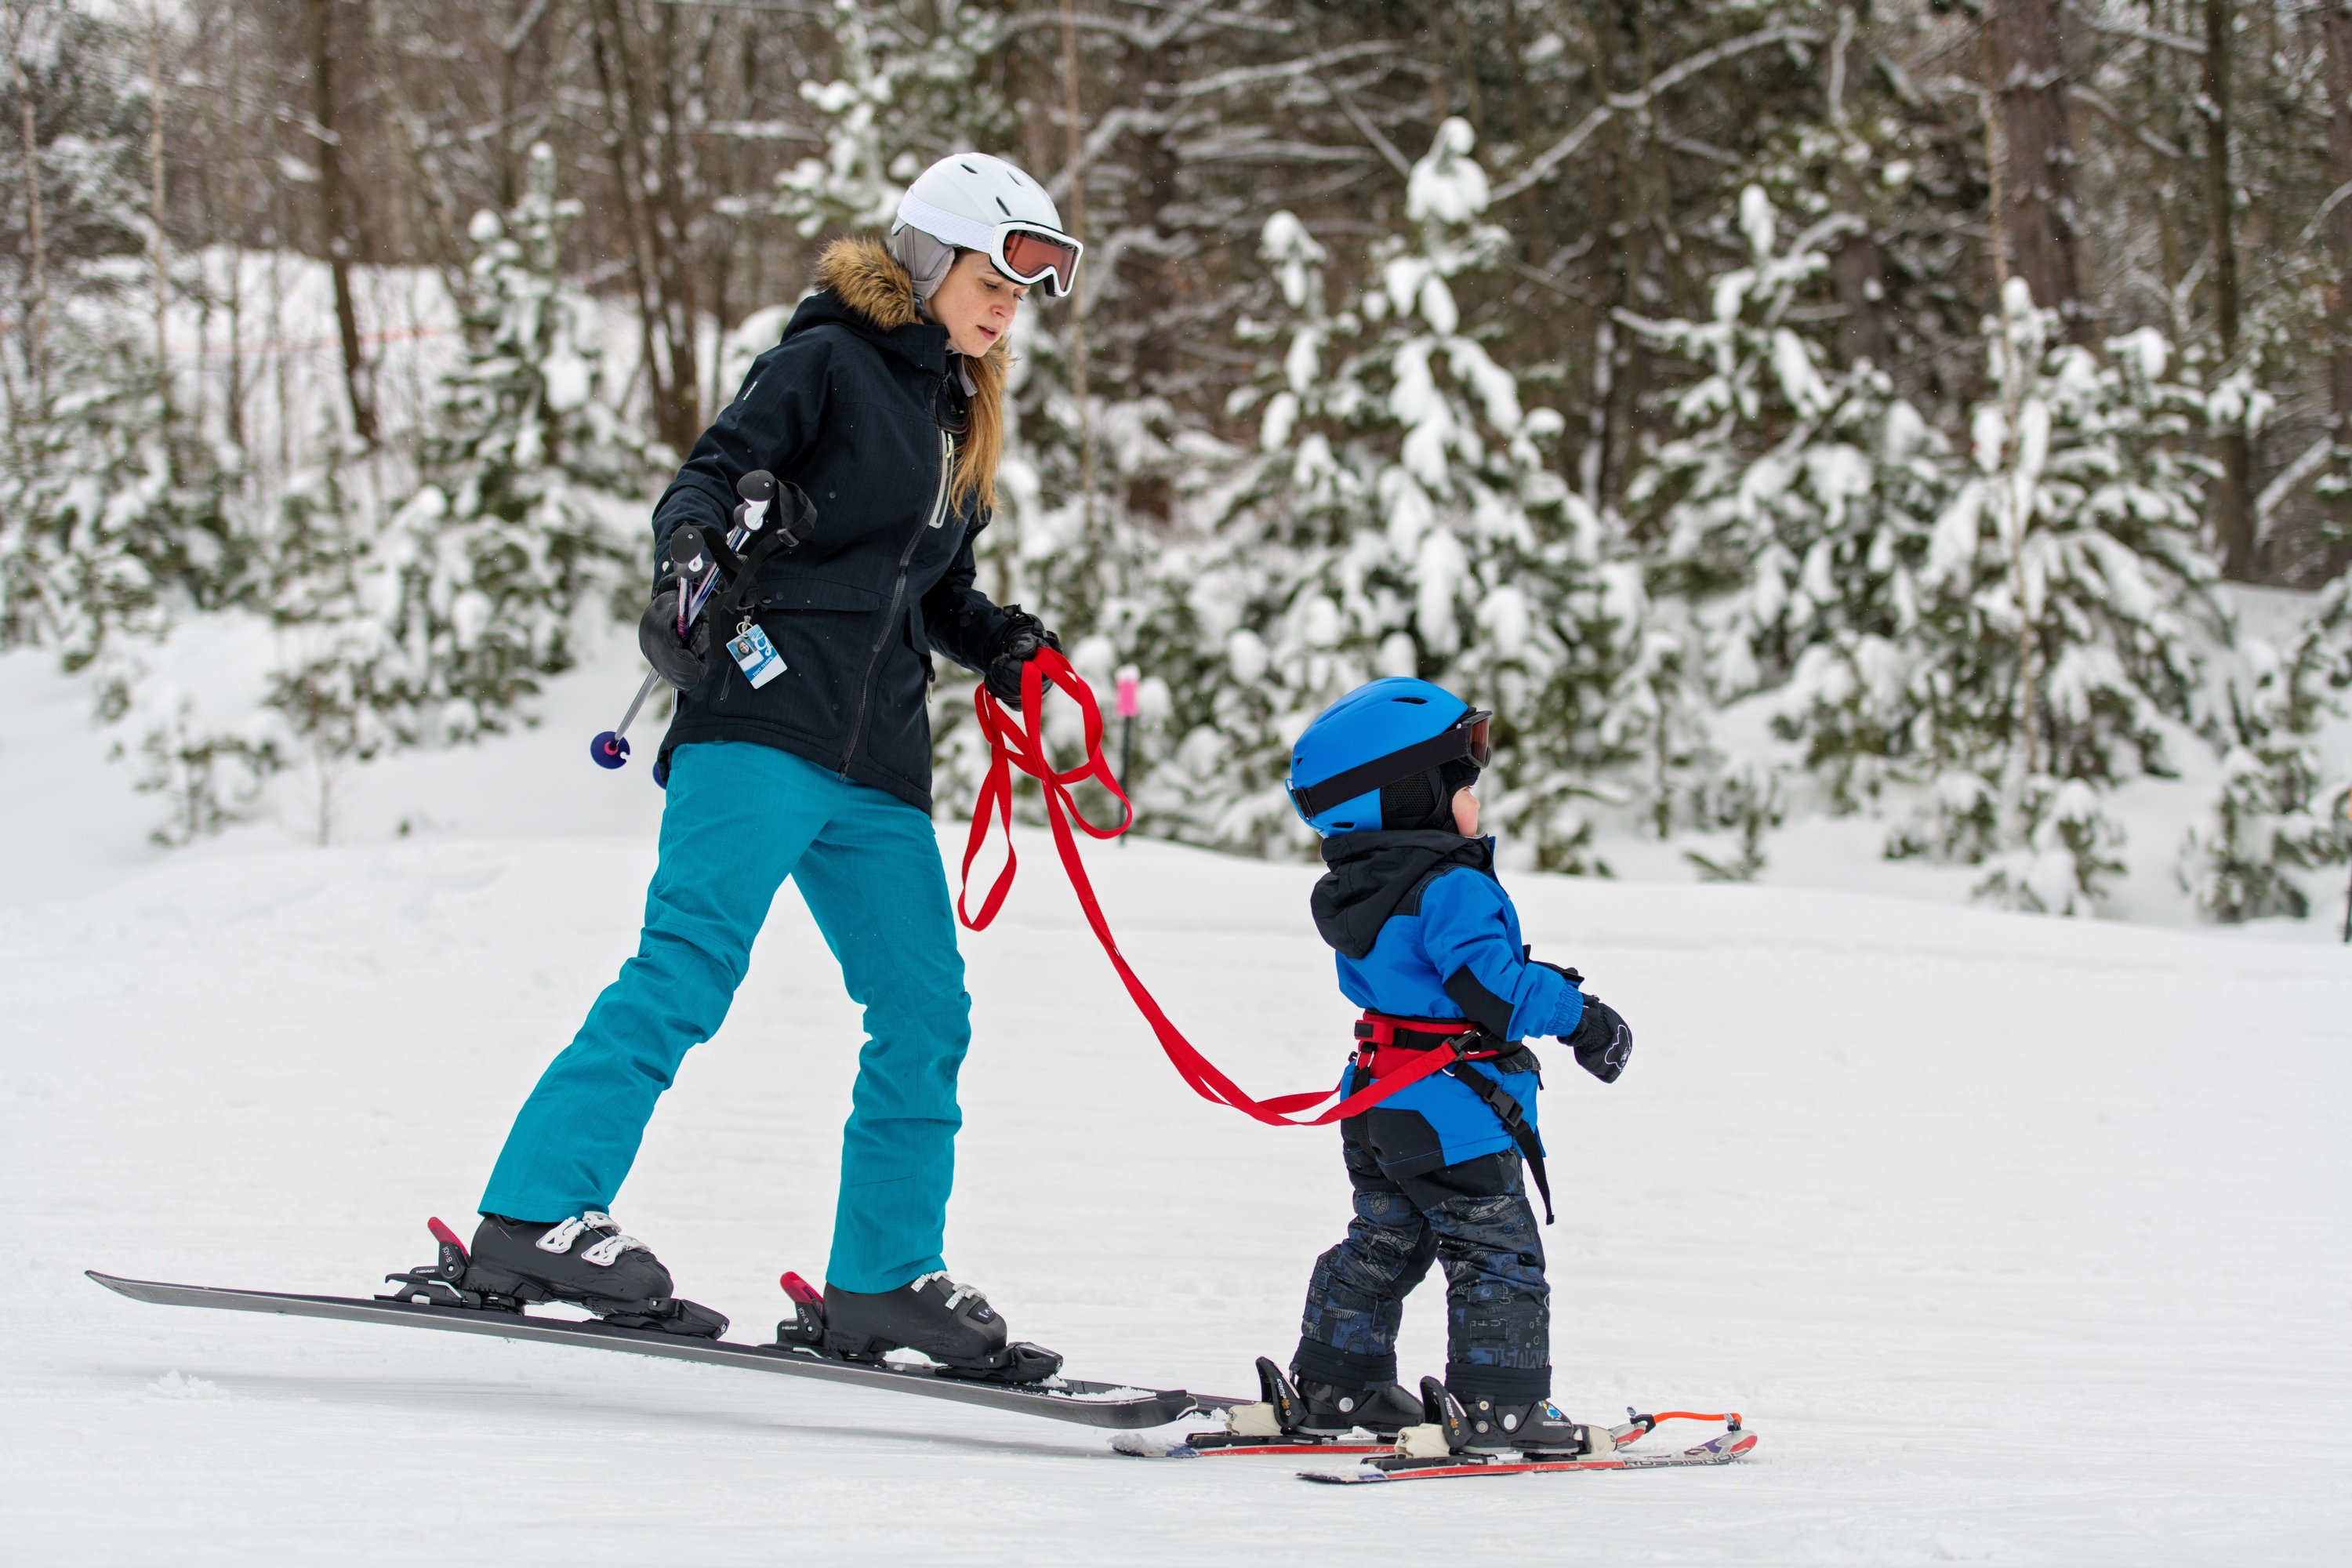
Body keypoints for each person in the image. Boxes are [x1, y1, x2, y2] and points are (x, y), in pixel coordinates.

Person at [456, 152, 1083, 1381]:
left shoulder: (958, 408)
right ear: (931, 256)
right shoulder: (829, 361)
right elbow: (702, 478)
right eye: (1004, 268)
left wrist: (998, 640)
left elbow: (932, 587)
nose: (1017, 300)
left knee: (923, 1010)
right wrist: (693, 550)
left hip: (879, 761)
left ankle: (883, 1279)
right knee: (686, 971)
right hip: (761, 721)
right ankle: (531, 1218)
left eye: (1041, 279)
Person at [1280, 677, 1635, 1448]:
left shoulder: (1364, 886)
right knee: (1496, 1254)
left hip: (1380, 1100)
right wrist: (1582, 1016)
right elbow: (1492, 990)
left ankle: (1338, 1384)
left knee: (1386, 1240)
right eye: (1461, 784)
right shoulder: (1452, 886)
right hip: (1452, 1110)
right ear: (1407, 795)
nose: (1474, 800)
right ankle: (1499, 1403)